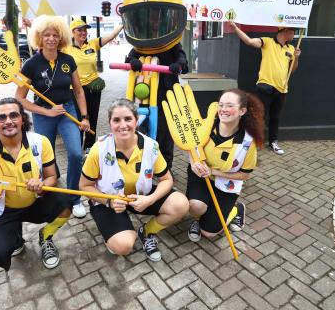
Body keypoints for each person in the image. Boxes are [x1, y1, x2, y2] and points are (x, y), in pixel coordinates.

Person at [79, 99, 189, 262]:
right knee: (123, 245)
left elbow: (167, 179)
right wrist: (109, 202)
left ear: (136, 120)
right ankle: (116, 232)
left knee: (181, 204)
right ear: (110, 123)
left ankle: (146, 232)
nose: (123, 125)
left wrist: (150, 199)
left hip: (140, 196)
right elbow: (84, 186)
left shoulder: (151, 146)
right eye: (116, 120)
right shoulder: (99, 149)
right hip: (108, 199)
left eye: (128, 119)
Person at [0, 97, 71, 270]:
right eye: (2, 117)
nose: (8, 121)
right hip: (4, 210)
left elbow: (52, 177)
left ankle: (46, 237)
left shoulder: (40, 142)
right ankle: (15, 239)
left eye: (14, 115)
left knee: (66, 201)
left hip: (34, 202)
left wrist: (41, 185)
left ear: (22, 118)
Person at [15, 15, 91, 219]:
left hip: (67, 112)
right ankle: (52, 193)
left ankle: (75, 198)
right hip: (43, 115)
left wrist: (84, 117)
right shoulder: (30, 64)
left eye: (55, 35)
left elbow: (79, 91)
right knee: (46, 158)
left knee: (76, 154)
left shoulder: (68, 60)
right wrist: (47, 112)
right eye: (46, 35)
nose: (51, 39)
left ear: (62, 37)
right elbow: (19, 98)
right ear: (39, 37)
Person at [121, 0, 189, 169]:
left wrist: (178, 65)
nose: (155, 23)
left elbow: (183, 60)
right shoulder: (141, 43)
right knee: (143, 128)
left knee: (165, 132)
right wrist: (132, 62)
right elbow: (130, 58)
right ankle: (143, 163)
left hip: (167, 94)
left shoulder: (173, 44)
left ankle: (166, 167)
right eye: (151, 19)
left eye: (157, 19)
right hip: (144, 94)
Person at [186, 89, 264, 242]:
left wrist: (213, 172)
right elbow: (190, 147)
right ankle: (199, 218)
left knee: (209, 233)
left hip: (227, 182)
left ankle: (236, 209)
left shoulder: (248, 142)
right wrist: (194, 162)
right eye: (221, 105)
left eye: (229, 105)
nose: (223, 109)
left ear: (242, 111)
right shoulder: (206, 125)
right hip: (200, 175)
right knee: (195, 206)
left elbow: (245, 175)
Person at [229, 22, 301, 155]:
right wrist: (235, 28)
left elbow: (292, 70)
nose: (294, 35)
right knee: (258, 116)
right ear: (285, 31)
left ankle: (273, 141)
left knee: (275, 117)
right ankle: (253, 142)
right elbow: (249, 41)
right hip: (265, 87)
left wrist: (296, 58)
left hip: (282, 89)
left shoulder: (291, 48)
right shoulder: (267, 42)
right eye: (292, 31)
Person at [65, 19, 123, 153]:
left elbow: (111, 36)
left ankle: (89, 149)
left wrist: (122, 24)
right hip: (75, 90)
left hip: (93, 89)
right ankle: (77, 149)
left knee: (92, 118)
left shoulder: (92, 44)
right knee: (79, 120)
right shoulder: (65, 48)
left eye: (85, 30)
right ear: (72, 32)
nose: (83, 32)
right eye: (80, 30)